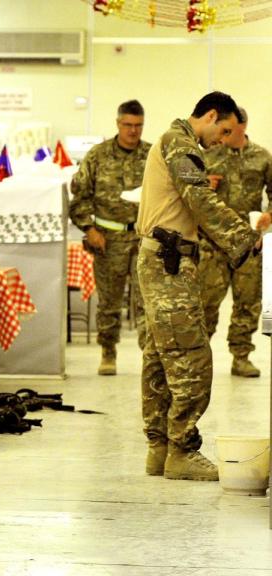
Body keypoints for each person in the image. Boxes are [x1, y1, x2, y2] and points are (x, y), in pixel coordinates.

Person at [137, 91, 259, 482]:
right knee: (192, 359)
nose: (224, 139)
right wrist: (244, 239)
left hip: (164, 257)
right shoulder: (180, 143)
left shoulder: (177, 142)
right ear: (209, 115)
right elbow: (201, 200)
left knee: (160, 355)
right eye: (223, 130)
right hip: (168, 261)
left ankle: (160, 451)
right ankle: (182, 451)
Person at [69, 99, 151, 375]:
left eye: (138, 126)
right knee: (110, 301)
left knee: (146, 301)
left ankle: (149, 355)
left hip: (143, 239)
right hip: (108, 239)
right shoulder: (98, 155)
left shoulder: (152, 156)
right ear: (118, 123)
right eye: (127, 125)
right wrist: (89, 230)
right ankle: (108, 351)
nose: (133, 131)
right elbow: (79, 197)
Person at [199, 107, 272, 377]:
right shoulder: (207, 156)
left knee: (248, 302)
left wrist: (269, 215)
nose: (223, 135)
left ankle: (241, 356)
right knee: (206, 302)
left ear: (243, 126)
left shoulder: (262, 157)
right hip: (213, 243)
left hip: (248, 243)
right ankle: (199, 357)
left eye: (229, 129)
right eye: (221, 129)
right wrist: (204, 184)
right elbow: (189, 195)